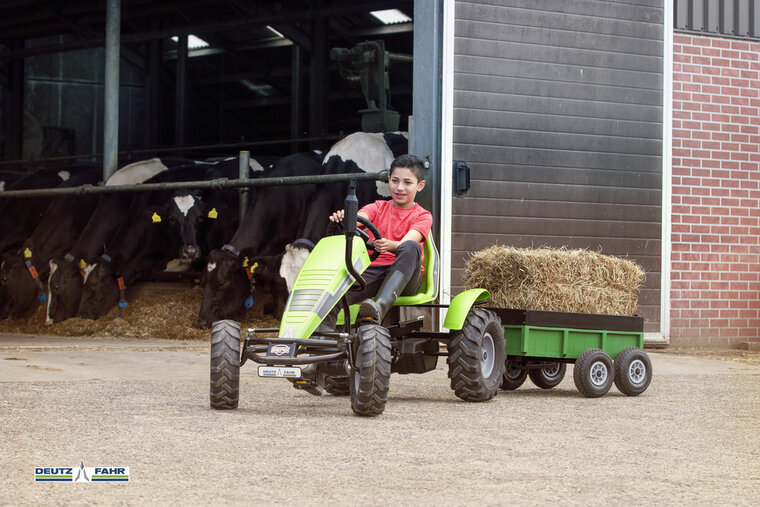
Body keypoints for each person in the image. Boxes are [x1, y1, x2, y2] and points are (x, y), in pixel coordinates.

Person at [326, 154, 432, 327]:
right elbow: (359, 218)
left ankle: (378, 308)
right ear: (388, 179)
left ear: (420, 186)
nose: (399, 188)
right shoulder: (378, 207)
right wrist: (345, 218)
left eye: (407, 182)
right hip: (373, 272)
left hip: (405, 278)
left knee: (411, 247)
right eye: (395, 181)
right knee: (331, 296)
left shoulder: (423, 216)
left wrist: (390, 246)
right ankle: (323, 345)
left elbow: (407, 244)